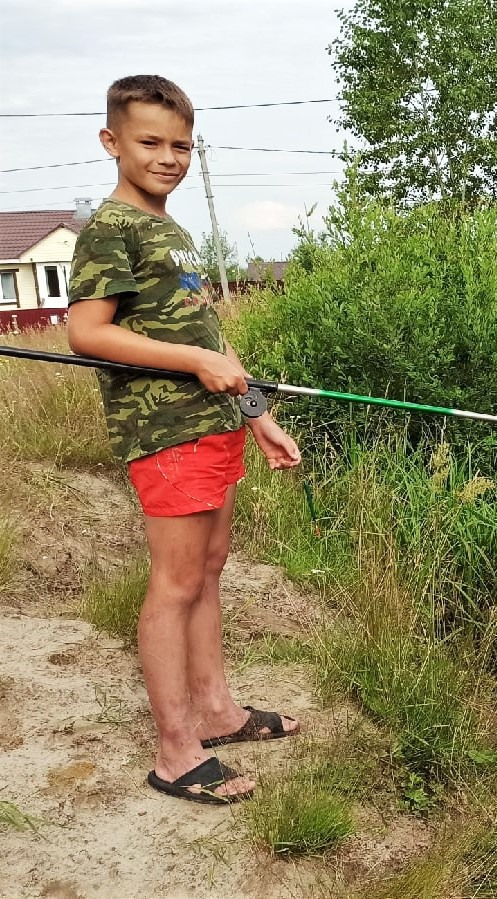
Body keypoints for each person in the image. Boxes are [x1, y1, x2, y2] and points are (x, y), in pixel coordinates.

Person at [66, 76, 302, 805]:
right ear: (112, 142)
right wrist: (198, 363)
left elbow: (212, 338)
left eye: (181, 146)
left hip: (214, 428)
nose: (169, 158)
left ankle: (217, 712)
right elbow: (86, 331)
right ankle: (175, 751)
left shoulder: (172, 230)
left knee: (209, 569)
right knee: (173, 586)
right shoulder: (111, 229)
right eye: (150, 142)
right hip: (164, 435)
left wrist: (257, 412)